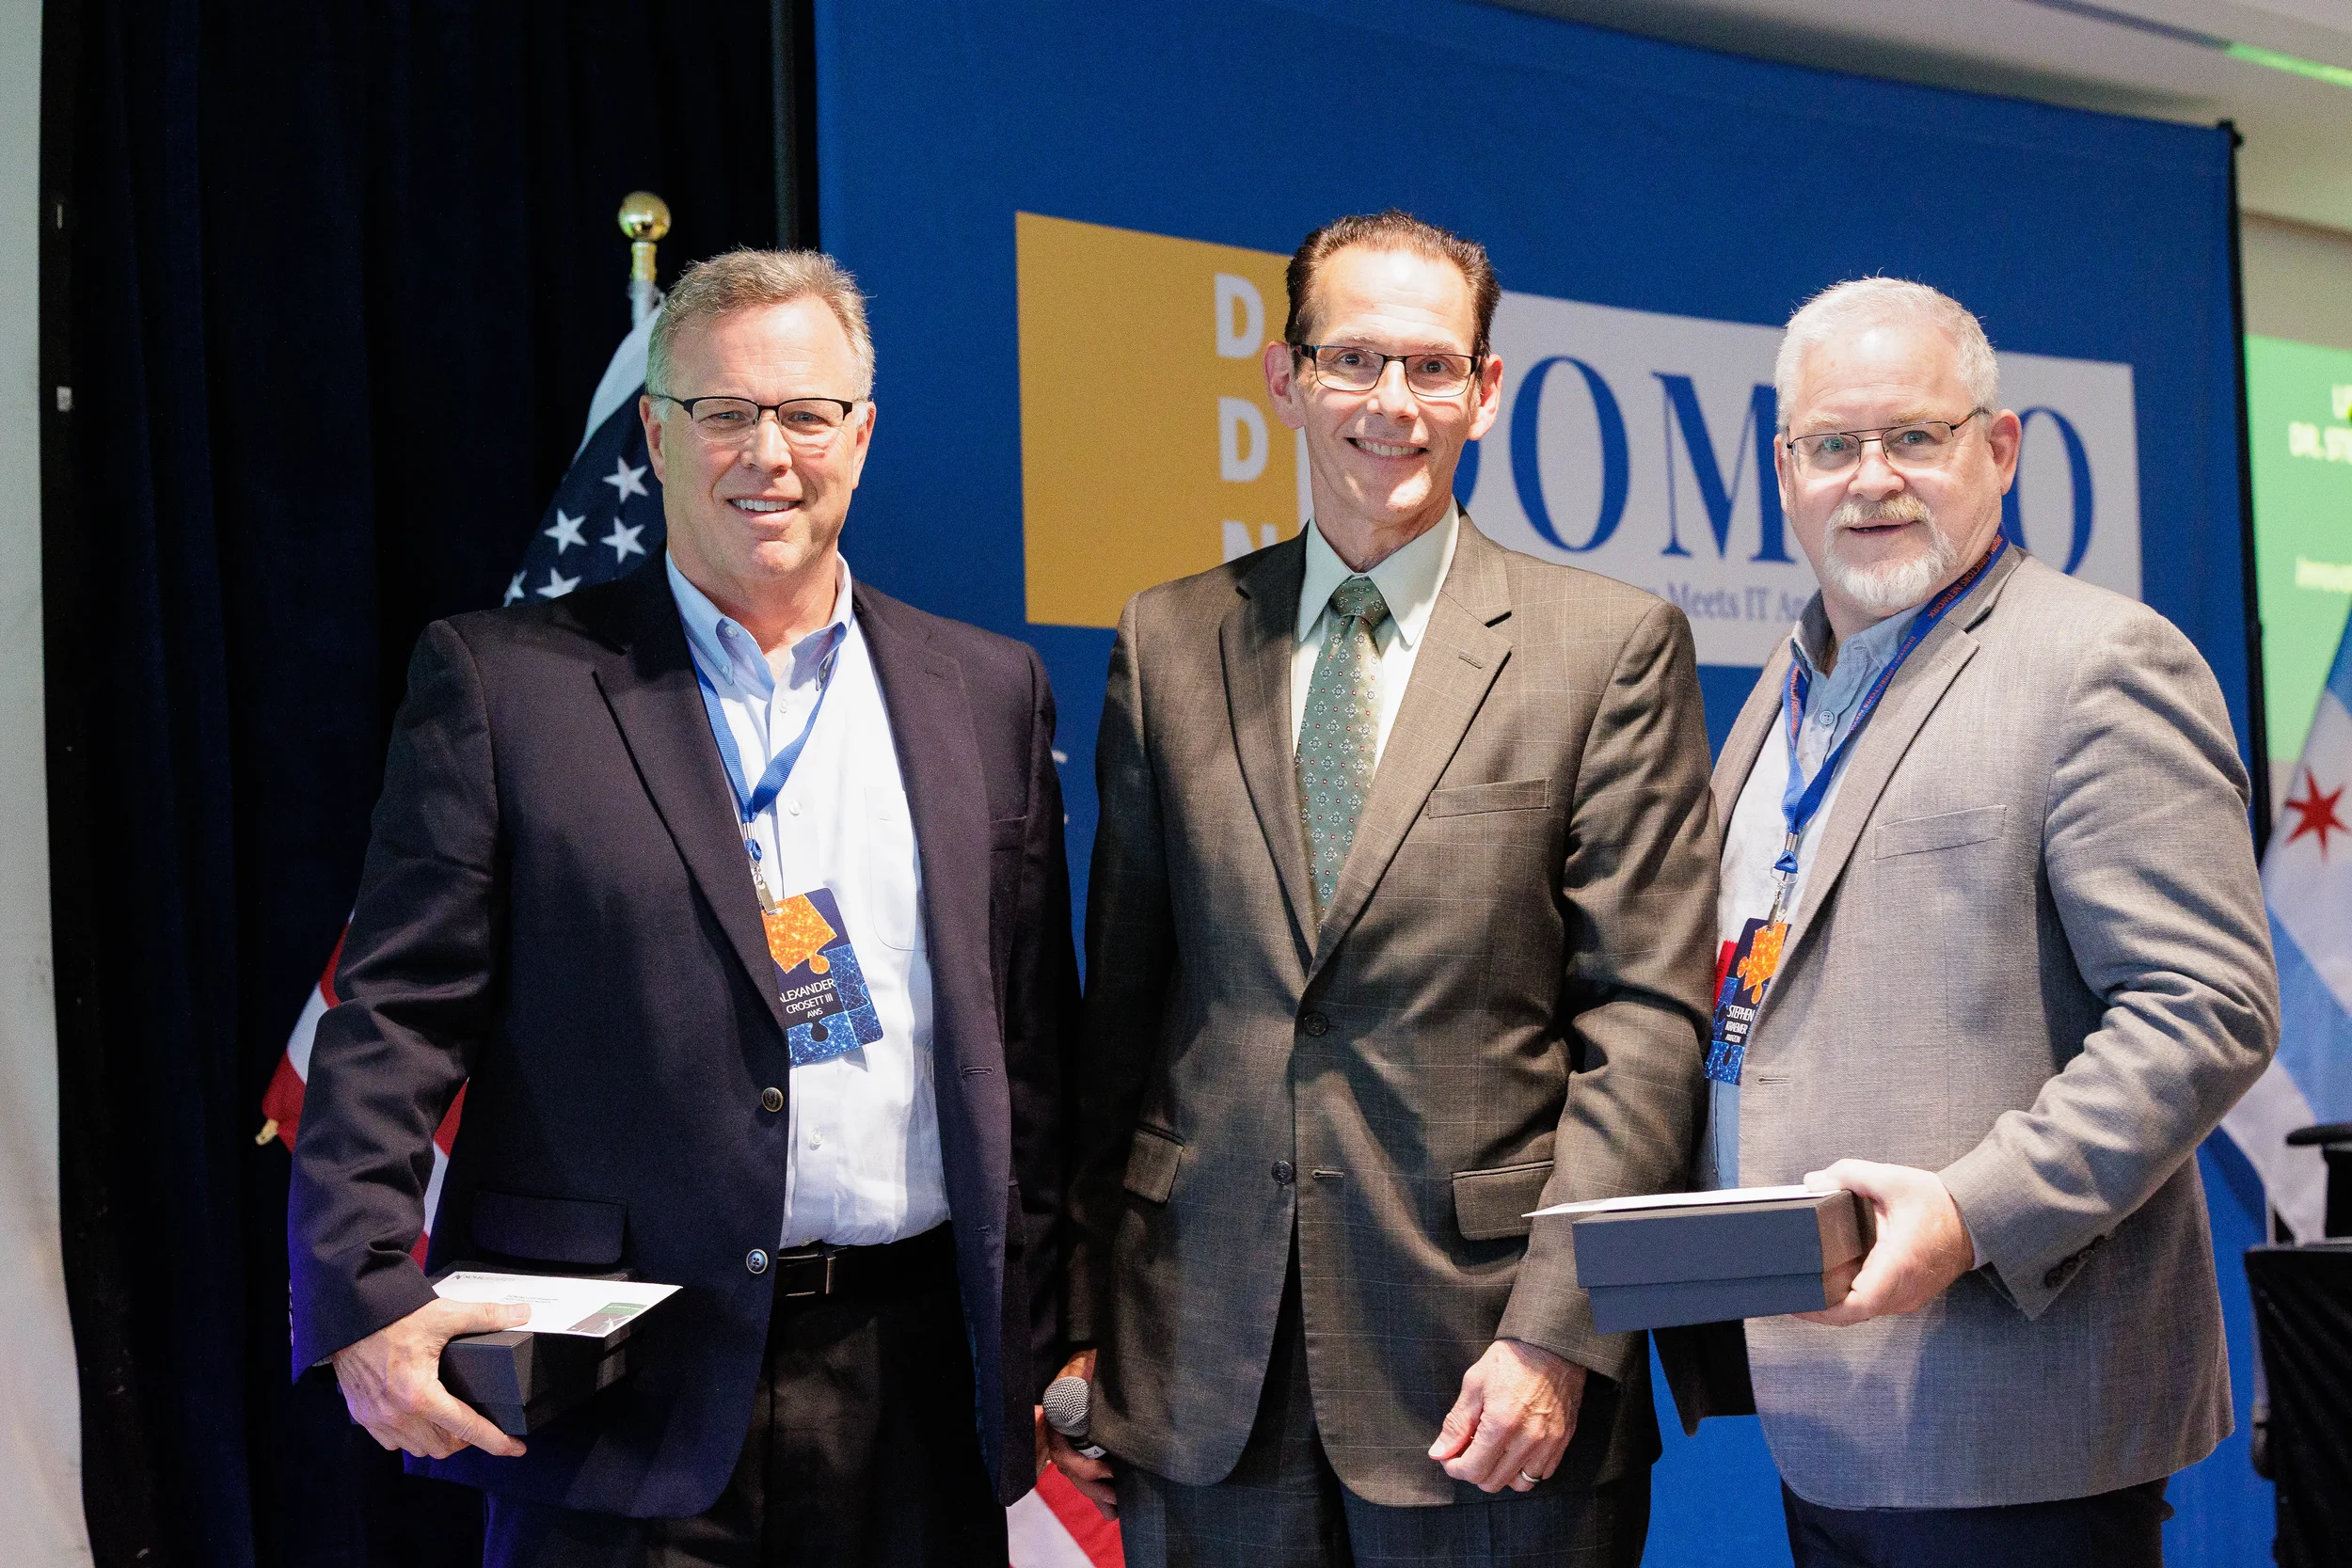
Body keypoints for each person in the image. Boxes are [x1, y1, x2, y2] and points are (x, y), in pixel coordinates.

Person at [288, 248, 1079, 1567]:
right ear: (655, 435)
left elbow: (1035, 1053)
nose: (769, 452)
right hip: (623, 1394)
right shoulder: (508, 685)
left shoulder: (985, 691)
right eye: (726, 412)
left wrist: (1063, 1324)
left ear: (861, 436)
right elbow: (393, 1019)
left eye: (807, 413)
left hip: (918, 1391)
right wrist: (363, 1286)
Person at [1047, 211, 1719, 1566]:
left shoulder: (1607, 649)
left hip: (1489, 1376)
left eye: (1429, 366)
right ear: (1283, 378)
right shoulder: (1168, 639)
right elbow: (1122, 1016)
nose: (1390, 403)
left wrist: (1556, 1331)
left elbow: (1643, 1028)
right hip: (1202, 1373)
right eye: (1352, 359)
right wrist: (1082, 1320)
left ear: (1486, 388)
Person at [1681, 277, 2278, 1566]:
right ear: (1784, 471)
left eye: (1916, 436)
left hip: (2018, 1418)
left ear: (1998, 449)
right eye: (1833, 445)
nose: (1872, 478)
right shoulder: (1786, 689)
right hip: (1825, 1405)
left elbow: (2207, 1007)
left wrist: (1969, 1211)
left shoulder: (2101, 663)